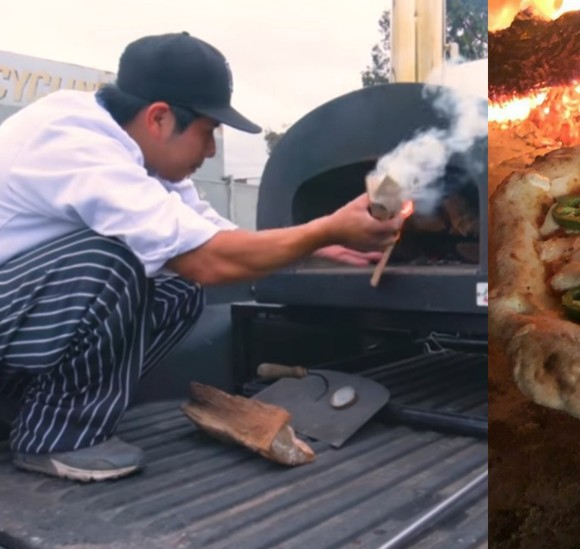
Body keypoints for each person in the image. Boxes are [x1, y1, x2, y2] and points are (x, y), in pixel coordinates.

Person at [0, 32, 402, 481]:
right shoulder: (77, 143)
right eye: (208, 131)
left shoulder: (145, 157)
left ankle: (26, 409)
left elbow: (211, 235)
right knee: (111, 262)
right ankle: (57, 437)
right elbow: (204, 258)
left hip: (18, 317)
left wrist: (314, 243)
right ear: (159, 118)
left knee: (177, 287)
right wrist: (323, 228)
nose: (211, 150)